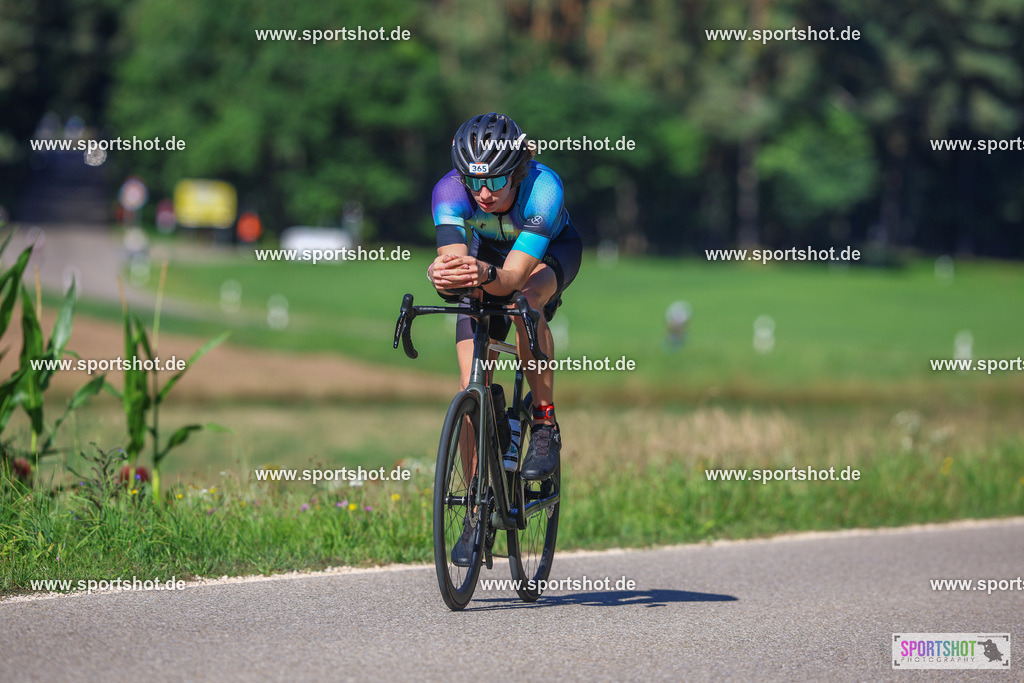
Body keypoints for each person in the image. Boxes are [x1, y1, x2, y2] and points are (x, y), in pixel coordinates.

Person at [427, 112, 582, 565]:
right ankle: (476, 509)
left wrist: (481, 274)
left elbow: (512, 277)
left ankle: (545, 423)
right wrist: (444, 275)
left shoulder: (543, 188)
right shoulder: (448, 191)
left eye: (495, 180)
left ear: (515, 171)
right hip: (488, 254)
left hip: (545, 256)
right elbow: (455, 263)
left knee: (524, 304)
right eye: (474, 181)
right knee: (468, 386)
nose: (484, 193)